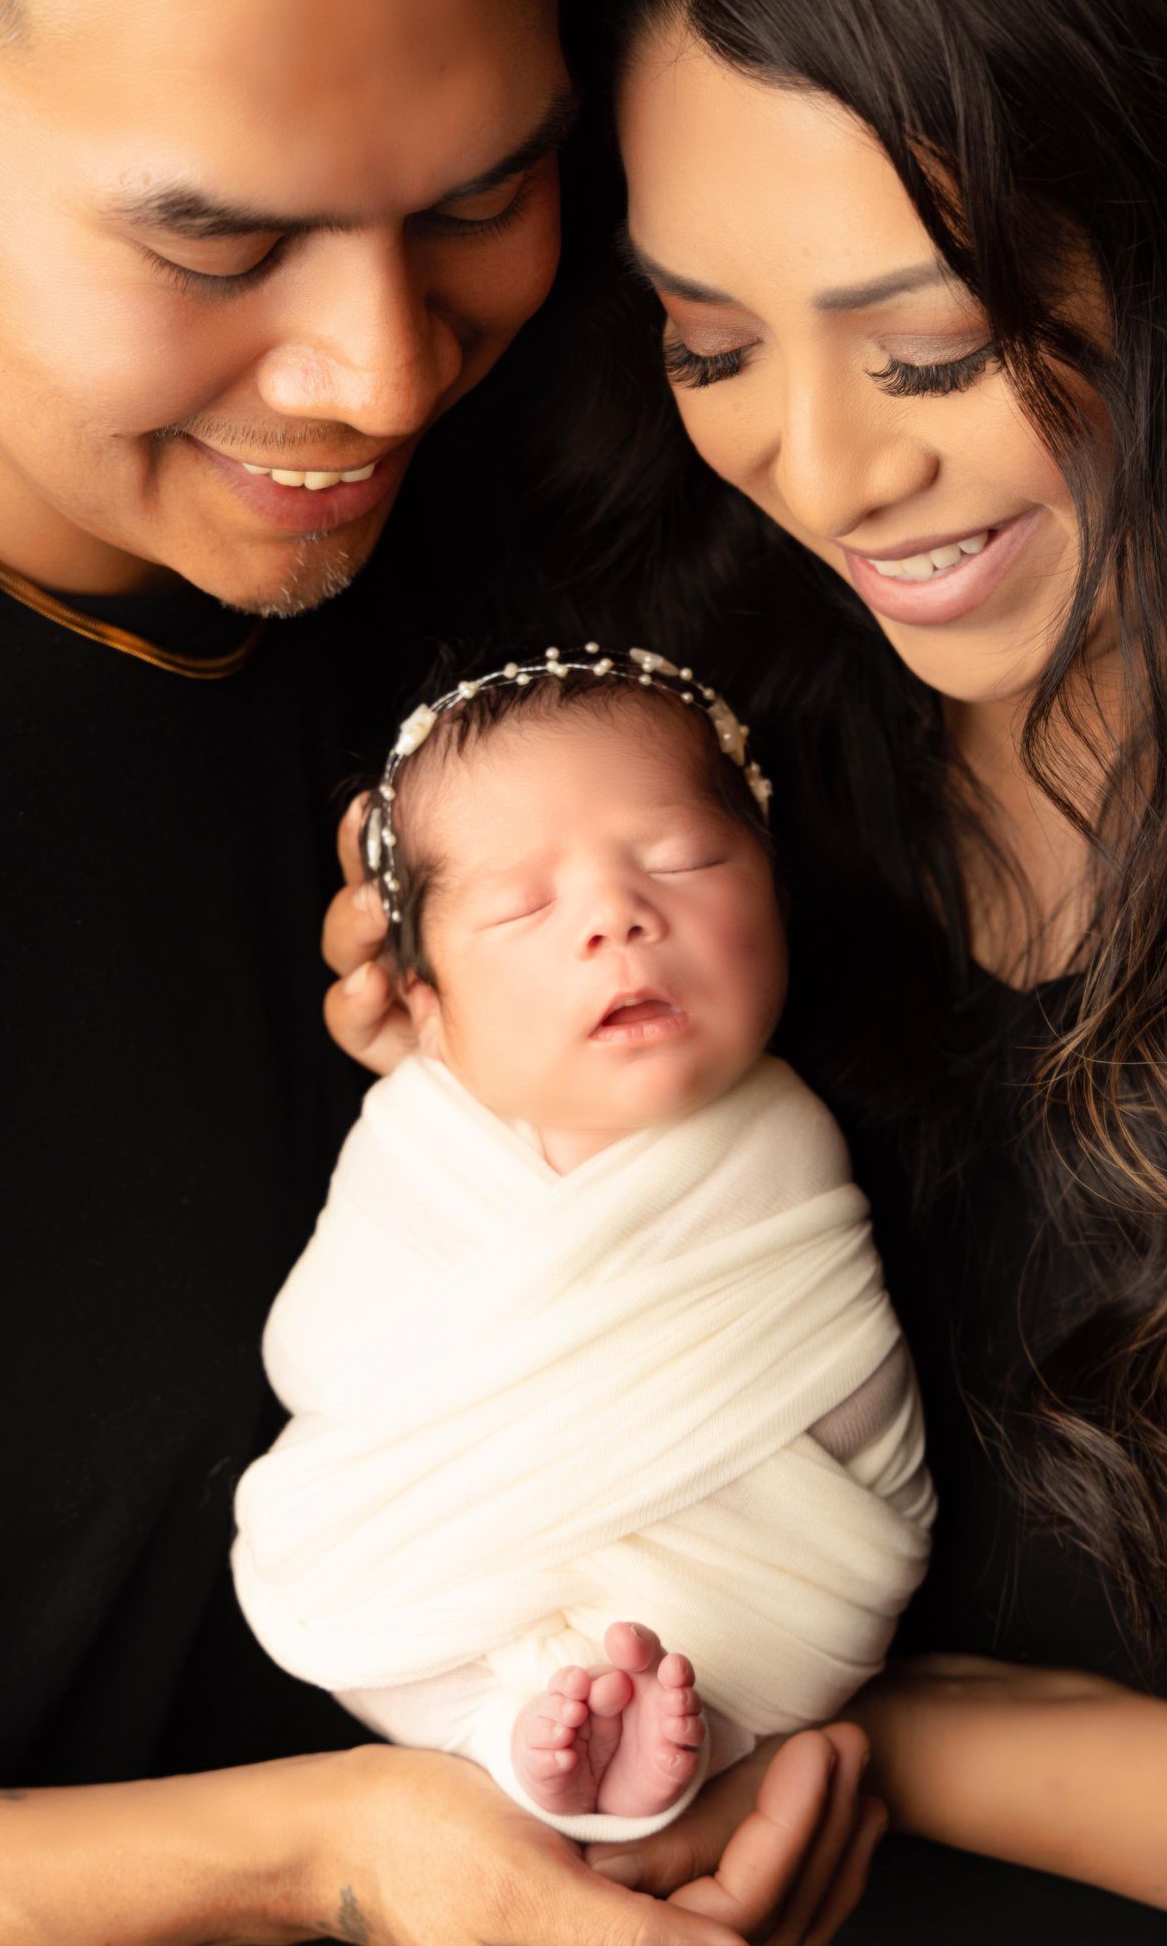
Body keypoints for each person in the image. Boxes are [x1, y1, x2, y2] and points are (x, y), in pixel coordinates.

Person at [0, 0, 882, 1940]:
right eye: (214, 245)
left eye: (483, 191)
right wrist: (331, 1859)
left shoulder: (626, 449)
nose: (380, 374)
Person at [325, 0, 1167, 1937]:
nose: (819, 469)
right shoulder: (723, 749)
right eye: (710, 344)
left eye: (930, 348)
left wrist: (886, 1742)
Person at [233, 649, 934, 1841]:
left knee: (819, 1565)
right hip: (447, 1565)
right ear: (427, 1004)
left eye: (683, 860)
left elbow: (835, 1362)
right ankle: (503, 1731)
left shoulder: (784, 1135)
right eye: (521, 907)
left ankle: (686, 1728)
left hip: (758, 1591)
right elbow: (331, 1366)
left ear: (775, 891)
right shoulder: (422, 1140)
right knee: (363, 1601)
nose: (618, 914)